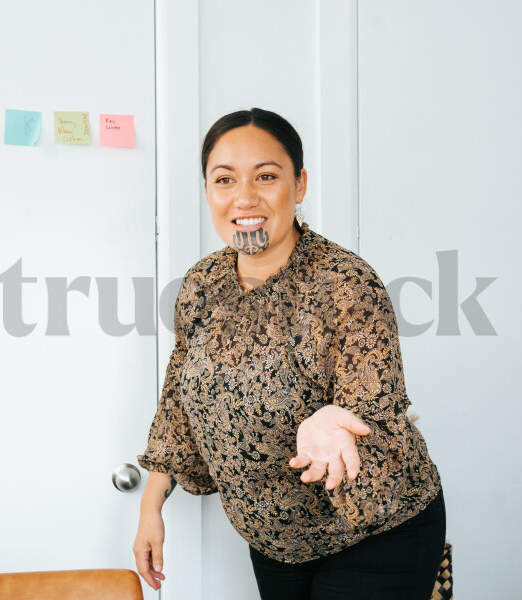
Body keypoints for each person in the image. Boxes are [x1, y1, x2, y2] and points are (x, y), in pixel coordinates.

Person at [133, 108, 445, 600]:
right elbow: (177, 402)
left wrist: (330, 421)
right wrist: (151, 506)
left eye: (266, 176)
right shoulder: (200, 285)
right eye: (224, 180)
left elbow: (371, 413)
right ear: (208, 191)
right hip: (275, 544)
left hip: (375, 537)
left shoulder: (346, 284)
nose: (244, 198)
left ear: (299, 186)